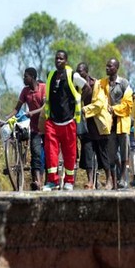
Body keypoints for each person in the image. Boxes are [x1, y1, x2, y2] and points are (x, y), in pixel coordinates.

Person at [42, 50, 90, 191]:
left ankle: (69, 181)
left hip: (68, 121)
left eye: (61, 59)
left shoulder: (72, 75)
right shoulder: (50, 75)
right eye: (57, 58)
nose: (58, 61)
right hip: (52, 121)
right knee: (50, 152)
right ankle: (53, 181)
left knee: (69, 153)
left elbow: (87, 88)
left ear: (66, 61)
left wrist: (77, 100)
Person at [8, 67, 46, 189]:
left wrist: (32, 112)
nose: (24, 79)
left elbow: (45, 106)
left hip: (47, 126)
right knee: (35, 153)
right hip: (35, 128)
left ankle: (49, 179)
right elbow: (17, 108)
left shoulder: (43, 88)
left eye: (26, 76)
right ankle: (37, 181)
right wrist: (7, 119)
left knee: (49, 154)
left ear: (33, 77)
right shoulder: (25, 91)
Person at [77, 63, 113, 189]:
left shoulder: (97, 85)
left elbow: (99, 104)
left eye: (81, 71)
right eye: (77, 72)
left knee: (103, 154)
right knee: (87, 153)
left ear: (86, 72)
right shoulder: (77, 86)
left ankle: (109, 180)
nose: (79, 74)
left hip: (98, 124)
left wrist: (84, 110)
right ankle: (90, 181)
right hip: (86, 125)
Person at [100, 58, 133, 189]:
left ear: (116, 68)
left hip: (122, 123)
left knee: (124, 152)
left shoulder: (124, 83)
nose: (107, 68)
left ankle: (123, 177)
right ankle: (116, 178)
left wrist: (113, 109)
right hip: (109, 124)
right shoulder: (103, 83)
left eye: (110, 66)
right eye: (106, 66)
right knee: (112, 155)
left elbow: (128, 104)